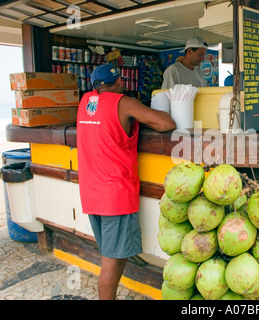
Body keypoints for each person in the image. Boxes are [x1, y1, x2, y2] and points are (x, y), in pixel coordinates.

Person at [77, 64, 176, 299]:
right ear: (118, 81)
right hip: (115, 195)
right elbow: (166, 123)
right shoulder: (123, 102)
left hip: (92, 192)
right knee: (110, 262)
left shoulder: (85, 103)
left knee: (114, 254)